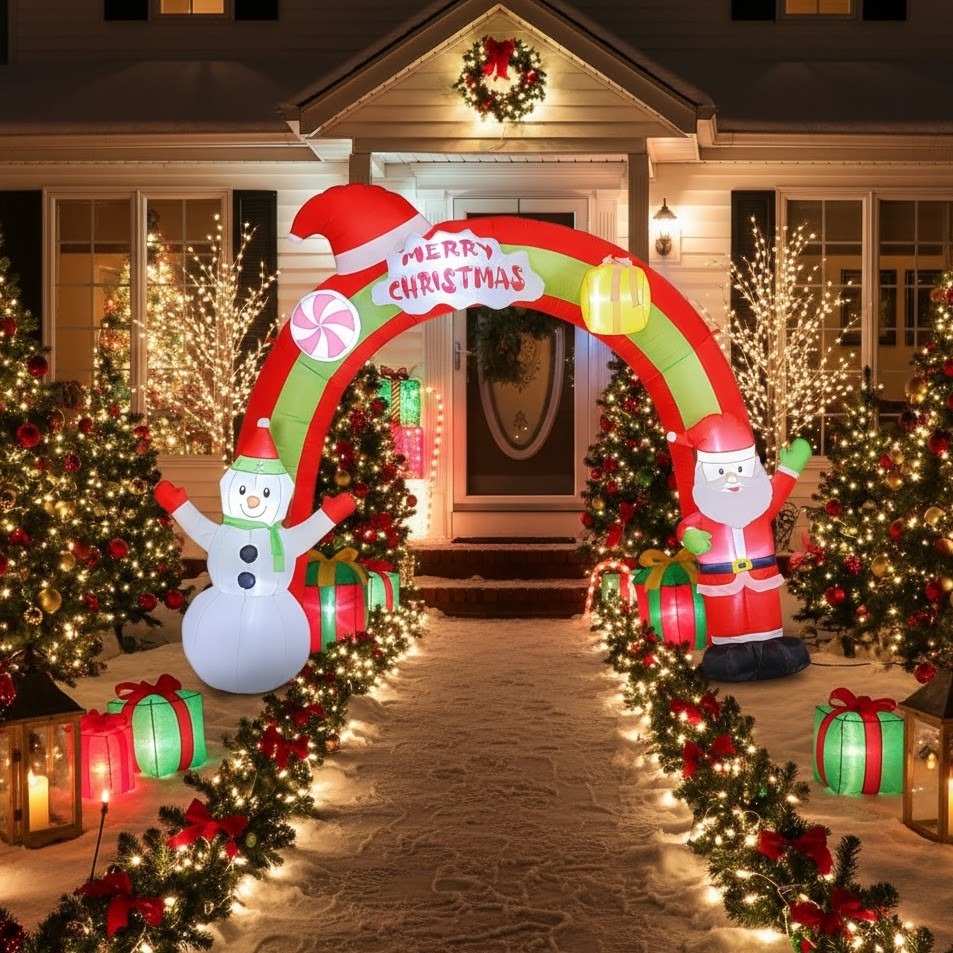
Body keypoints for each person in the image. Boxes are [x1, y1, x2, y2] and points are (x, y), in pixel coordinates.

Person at [669, 413, 812, 681]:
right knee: (728, 627)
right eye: (721, 472)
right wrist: (689, 535)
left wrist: (791, 467)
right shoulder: (705, 512)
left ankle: (770, 650)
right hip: (720, 581)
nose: (733, 479)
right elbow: (685, 527)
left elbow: (778, 490)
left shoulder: (762, 504)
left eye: (741, 469)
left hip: (761, 577)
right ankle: (729, 654)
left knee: (765, 622)